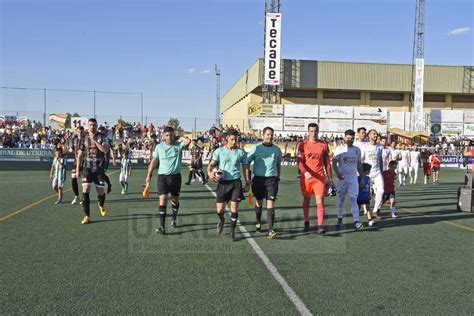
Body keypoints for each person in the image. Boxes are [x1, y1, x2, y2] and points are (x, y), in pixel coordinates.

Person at [145, 126, 191, 234]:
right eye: (166, 135)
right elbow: (153, 161)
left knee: (174, 201)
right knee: (163, 200)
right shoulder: (159, 147)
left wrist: (178, 136)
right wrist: (149, 174)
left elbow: (188, 141)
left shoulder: (179, 145)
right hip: (163, 178)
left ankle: (174, 218)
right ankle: (162, 227)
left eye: (171, 135)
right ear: (163, 137)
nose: (169, 137)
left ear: (173, 135)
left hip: (176, 178)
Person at [207, 129, 250, 241]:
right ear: (227, 139)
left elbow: (246, 168)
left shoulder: (241, 152)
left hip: (236, 182)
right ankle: (221, 220)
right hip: (223, 183)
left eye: (236, 139)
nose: (234, 141)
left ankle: (232, 232)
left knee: (234, 207)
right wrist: (210, 173)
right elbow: (211, 165)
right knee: (219, 210)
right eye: (232, 139)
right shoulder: (219, 151)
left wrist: (247, 183)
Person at [297, 123, 334, 234]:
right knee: (307, 199)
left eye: (316, 131)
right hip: (306, 178)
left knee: (320, 201)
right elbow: (299, 162)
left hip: (320, 178)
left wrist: (330, 178)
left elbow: (327, 163)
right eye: (311, 131)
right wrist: (305, 172)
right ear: (308, 132)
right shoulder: (302, 145)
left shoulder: (323, 145)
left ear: (318, 131)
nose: (314, 133)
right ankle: (306, 221)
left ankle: (320, 225)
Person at [247, 126, 283, 239]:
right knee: (259, 203)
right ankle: (258, 221)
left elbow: (278, 164)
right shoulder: (256, 148)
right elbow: (247, 162)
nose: (270, 136)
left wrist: (278, 176)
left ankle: (270, 230)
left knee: (271, 203)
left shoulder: (277, 150)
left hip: (272, 180)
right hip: (258, 180)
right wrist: (248, 179)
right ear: (263, 135)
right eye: (267, 134)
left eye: (271, 134)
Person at [76, 118, 110, 224]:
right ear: (88, 126)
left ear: (97, 125)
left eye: (94, 125)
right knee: (85, 189)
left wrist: (95, 141)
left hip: (99, 168)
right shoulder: (84, 138)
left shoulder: (102, 136)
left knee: (100, 191)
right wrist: (78, 169)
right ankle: (87, 216)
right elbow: (80, 155)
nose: (92, 127)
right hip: (87, 168)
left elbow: (105, 150)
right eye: (90, 125)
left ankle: (101, 205)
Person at [332, 129, 364, 230]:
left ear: (354, 138)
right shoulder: (339, 149)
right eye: (348, 138)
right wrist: (338, 174)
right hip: (342, 179)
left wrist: (362, 177)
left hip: (353, 178)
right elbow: (334, 163)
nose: (350, 140)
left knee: (354, 199)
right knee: (341, 199)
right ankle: (340, 218)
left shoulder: (357, 150)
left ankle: (356, 221)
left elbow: (359, 164)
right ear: (345, 137)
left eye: (352, 138)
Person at [360, 129, 384, 219]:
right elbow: (361, 160)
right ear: (369, 135)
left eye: (376, 134)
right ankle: (366, 210)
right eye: (374, 134)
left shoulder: (379, 147)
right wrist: (361, 174)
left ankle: (375, 210)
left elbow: (380, 160)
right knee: (368, 194)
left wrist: (381, 171)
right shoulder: (364, 147)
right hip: (368, 174)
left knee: (381, 190)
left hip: (377, 173)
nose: (376, 135)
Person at [358, 163, 376, 227]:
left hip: (366, 196)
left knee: (368, 208)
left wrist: (371, 190)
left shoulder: (368, 178)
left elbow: (369, 186)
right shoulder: (358, 178)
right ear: (365, 170)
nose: (370, 171)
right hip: (359, 197)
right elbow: (357, 187)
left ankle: (370, 220)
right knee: (358, 209)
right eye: (369, 170)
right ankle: (357, 221)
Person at [70, 126, 84, 205]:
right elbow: (72, 149)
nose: (80, 133)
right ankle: (76, 196)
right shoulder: (74, 140)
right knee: (73, 178)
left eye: (81, 132)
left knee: (84, 181)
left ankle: (83, 197)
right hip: (76, 162)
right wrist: (71, 150)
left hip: (84, 163)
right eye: (78, 132)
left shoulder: (85, 140)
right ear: (76, 132)